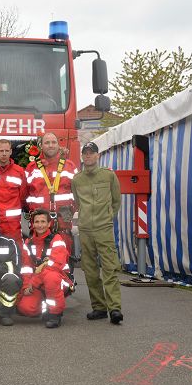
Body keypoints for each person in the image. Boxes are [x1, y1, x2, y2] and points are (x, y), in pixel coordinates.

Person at [71, 141, 123, 325]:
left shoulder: (109, 176)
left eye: (92, 153)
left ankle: (115, 308)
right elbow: (78, 202)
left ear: (97, 155)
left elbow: (116, 201)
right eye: (85, 153)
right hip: (85, 230)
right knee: (90, 270)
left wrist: (107, 217)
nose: (88, 156)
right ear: (82, 156)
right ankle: (99, 307)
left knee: (109, 268)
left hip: (104, 229)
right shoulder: (77, 180)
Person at [17, 209, 73, 328]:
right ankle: (45, 304)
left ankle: (55, 313)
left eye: (43, 221)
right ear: (33, 224)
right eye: (37, 222)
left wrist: (34, 283)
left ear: (49, 224)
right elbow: (26, 268)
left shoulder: (56, 240)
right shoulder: (28, 242)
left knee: (51, 277)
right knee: (26, 308)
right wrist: (27, 286)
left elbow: (55, 266)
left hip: (59, 279)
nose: (40, 225)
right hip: (37, 283)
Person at [25, 132, 79, 256]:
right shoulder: (31, 168)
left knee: (63, 263)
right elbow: (24, 195)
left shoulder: (70, 166)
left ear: (58, 145)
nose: (51, 145)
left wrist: (69, 210)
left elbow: (78, 193)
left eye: (54, 142)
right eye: (47, 142)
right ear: (41, 146)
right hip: (39, 226)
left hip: (63, 224)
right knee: (38, 263)